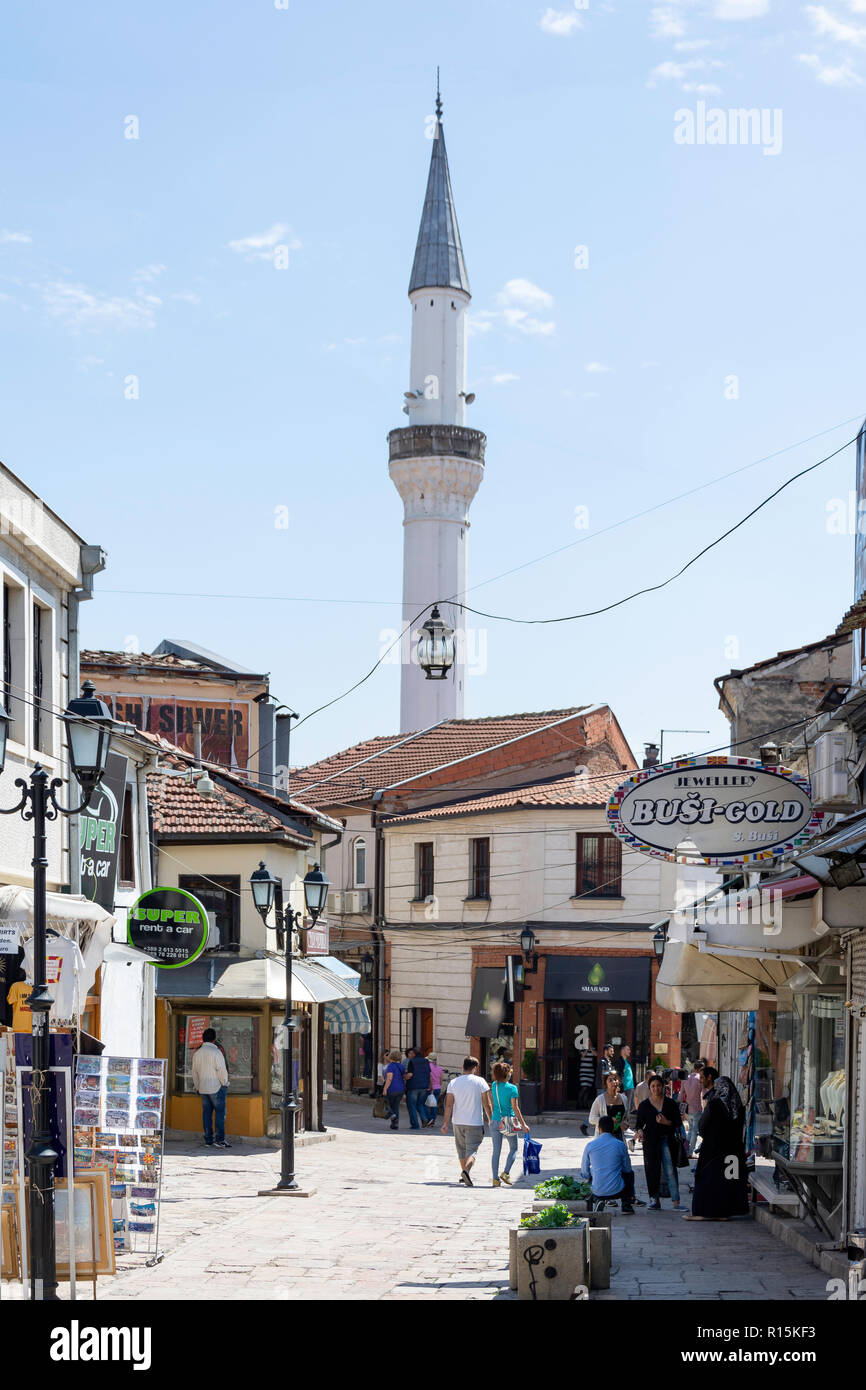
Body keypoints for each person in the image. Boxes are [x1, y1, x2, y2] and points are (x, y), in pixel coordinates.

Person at [685, 1076, 750, 1221]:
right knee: (729, 1180)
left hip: (713, 1149)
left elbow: (702, 1125)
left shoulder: (715, 1103)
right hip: (733, 1150)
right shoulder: (737, 1105)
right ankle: (725, 1212)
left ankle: (703, 1211)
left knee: (707, 1178)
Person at [441, 1056, 492, 1186]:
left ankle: (464, 1173)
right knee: (472, 1150)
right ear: (475, 1068)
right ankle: (466, 1171)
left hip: (457, 1121)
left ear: (463, 1067)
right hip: (475, 1121)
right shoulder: (480, 1081)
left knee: (461, 1150)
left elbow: (448, 1105)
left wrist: (445, 1123)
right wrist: (491, 1119)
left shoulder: (453, 1083)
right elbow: (487, 1103)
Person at [635, 1073, 682, 1210]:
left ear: (663, 1087)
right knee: (652, 1170)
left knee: (670, 1170)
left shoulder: (670, 1103)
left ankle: (676, 1202)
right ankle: (654, 1200)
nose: (656, 1088)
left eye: (658, 1086)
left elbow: (677, 1122)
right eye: (653, 1086)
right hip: (651, 1142)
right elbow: (639, 1124)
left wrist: (666, 1122)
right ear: (649, 1087)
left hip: (667, 1140)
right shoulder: (644, 1105)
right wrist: (640, 1131)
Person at [579, 1115, 636, 1213]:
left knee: (590, 1177)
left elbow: (584, 1171)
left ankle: (598, 1200)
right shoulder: (620, 1145)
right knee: (630, 1174)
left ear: (599, 1128)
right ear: (613, 1128)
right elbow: (627, 1169)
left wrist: (589, 1178)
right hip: (617, 1190)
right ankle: (626, 1205)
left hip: (597, 1190)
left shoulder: (590, 1145)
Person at [489, 1061, 528, 1187]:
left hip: (495, 1120)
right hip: (509, 1122)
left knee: (496, 1151)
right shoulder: (512, 1088)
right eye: (510, 1071)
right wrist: (523, 1124)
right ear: (507, 1074)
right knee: (514, 1148)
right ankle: (505, 1173)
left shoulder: (494, 1085)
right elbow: (515, 1108)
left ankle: (495, 1179)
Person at [191, 1027, 231, 1148]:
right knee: (219, 1114)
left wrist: (197, 1086)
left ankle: (208, 1140)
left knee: (206, 1114)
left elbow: (194, 1072)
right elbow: (221, 1070)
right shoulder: (216, 1052)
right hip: (216, 1087)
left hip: (203, 1088)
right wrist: (225, 1082)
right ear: (214, 1039)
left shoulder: (197, 1053)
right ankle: (220, 1140)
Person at [588, 1071, 628, 1141]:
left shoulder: (624, 1098)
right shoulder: (600, 1099)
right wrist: (610, 1120)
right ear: (605, 1083)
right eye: (610, 1080)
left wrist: (625, 1123)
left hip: (619, 1137)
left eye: (615, 1079)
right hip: (604, 1138)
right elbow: (591, 1119)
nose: (613, 1082)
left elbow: (626, 1117)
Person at [681, 1062, 704, 1161]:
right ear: (700, 1069)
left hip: (687, 1108)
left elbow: (680, 1094)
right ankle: (690, 1152)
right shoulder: (700, 1079)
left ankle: (686, 1150)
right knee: (694, 1131)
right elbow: (705, 1094)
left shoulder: (685, 1078)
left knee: (690, 1130)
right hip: (697, 1108)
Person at [404, 1048, 432, 1130]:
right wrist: (430, 1085)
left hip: (413, 1086)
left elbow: (410, 1075)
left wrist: (404, 1077)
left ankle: (415, 1125)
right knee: (420, 1104)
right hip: (424, 1086)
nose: (410, 1055)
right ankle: (424, 1119)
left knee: (411, 1106)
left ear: (414, 1054)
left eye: (412, 1053)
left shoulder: (412, 1062)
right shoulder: (426, 1061)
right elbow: (429, 1074)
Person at [382, 1048, 405, 1130]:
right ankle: (395, 1124)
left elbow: (389, 1078)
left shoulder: (390, 1066)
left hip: (392, 1088)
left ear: (391, 1056)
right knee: (396, 1106)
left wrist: (385, 1089)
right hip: (401, 1089)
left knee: (387, 1104)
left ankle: (392, 1115)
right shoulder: (401, 1066)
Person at [424, 1053, 444, 1127]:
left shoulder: (427, 1067)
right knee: (434, 1105)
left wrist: (431, 1087)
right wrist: (438, 1086)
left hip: (430, 1088)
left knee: (425, 1104)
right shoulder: (439, 1068)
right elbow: (441, 1080)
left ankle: (429, 1119)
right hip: (438, 1088)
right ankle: (433, 1120)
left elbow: (429, 1079)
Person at [615, 1044, 635, 1118]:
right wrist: (621, 1089)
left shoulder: (626, 1062)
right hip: (625, 1089)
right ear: (623, 1050)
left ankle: (625, 1125)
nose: (629, 1051)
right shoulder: (619, 1062)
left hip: (630, 1088)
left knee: (628, 1109)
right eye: (628, 1049)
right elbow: (618, 1076)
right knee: (622, 1109)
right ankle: (618, 1126)